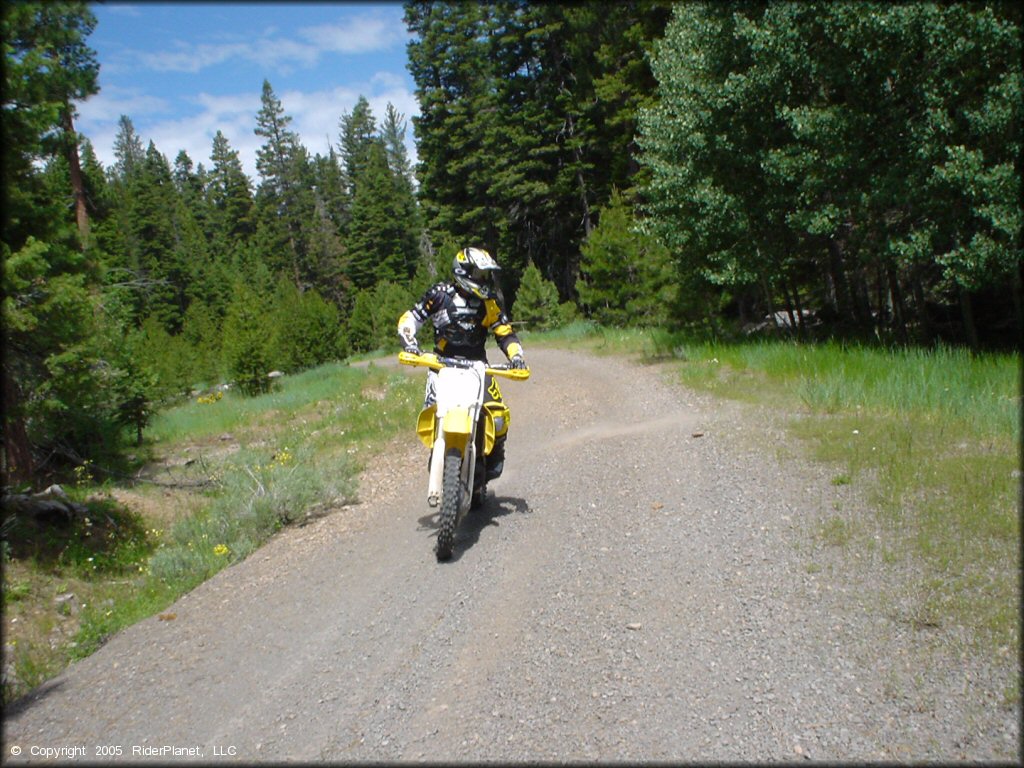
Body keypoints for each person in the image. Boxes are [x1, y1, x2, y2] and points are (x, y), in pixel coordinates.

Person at [397, 246, 527, 480]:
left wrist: (516, 356)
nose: (483, 279)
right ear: (464, 272)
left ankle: (494, 455)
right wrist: (409, 343)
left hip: (478, 366)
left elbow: (504, 332)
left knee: (497, 416)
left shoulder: (489, 302)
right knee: (433, 410)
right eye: (479, 274)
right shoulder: (439, 295)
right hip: (441, 365)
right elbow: (412, 318)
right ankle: (439, 452)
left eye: (485, 275)